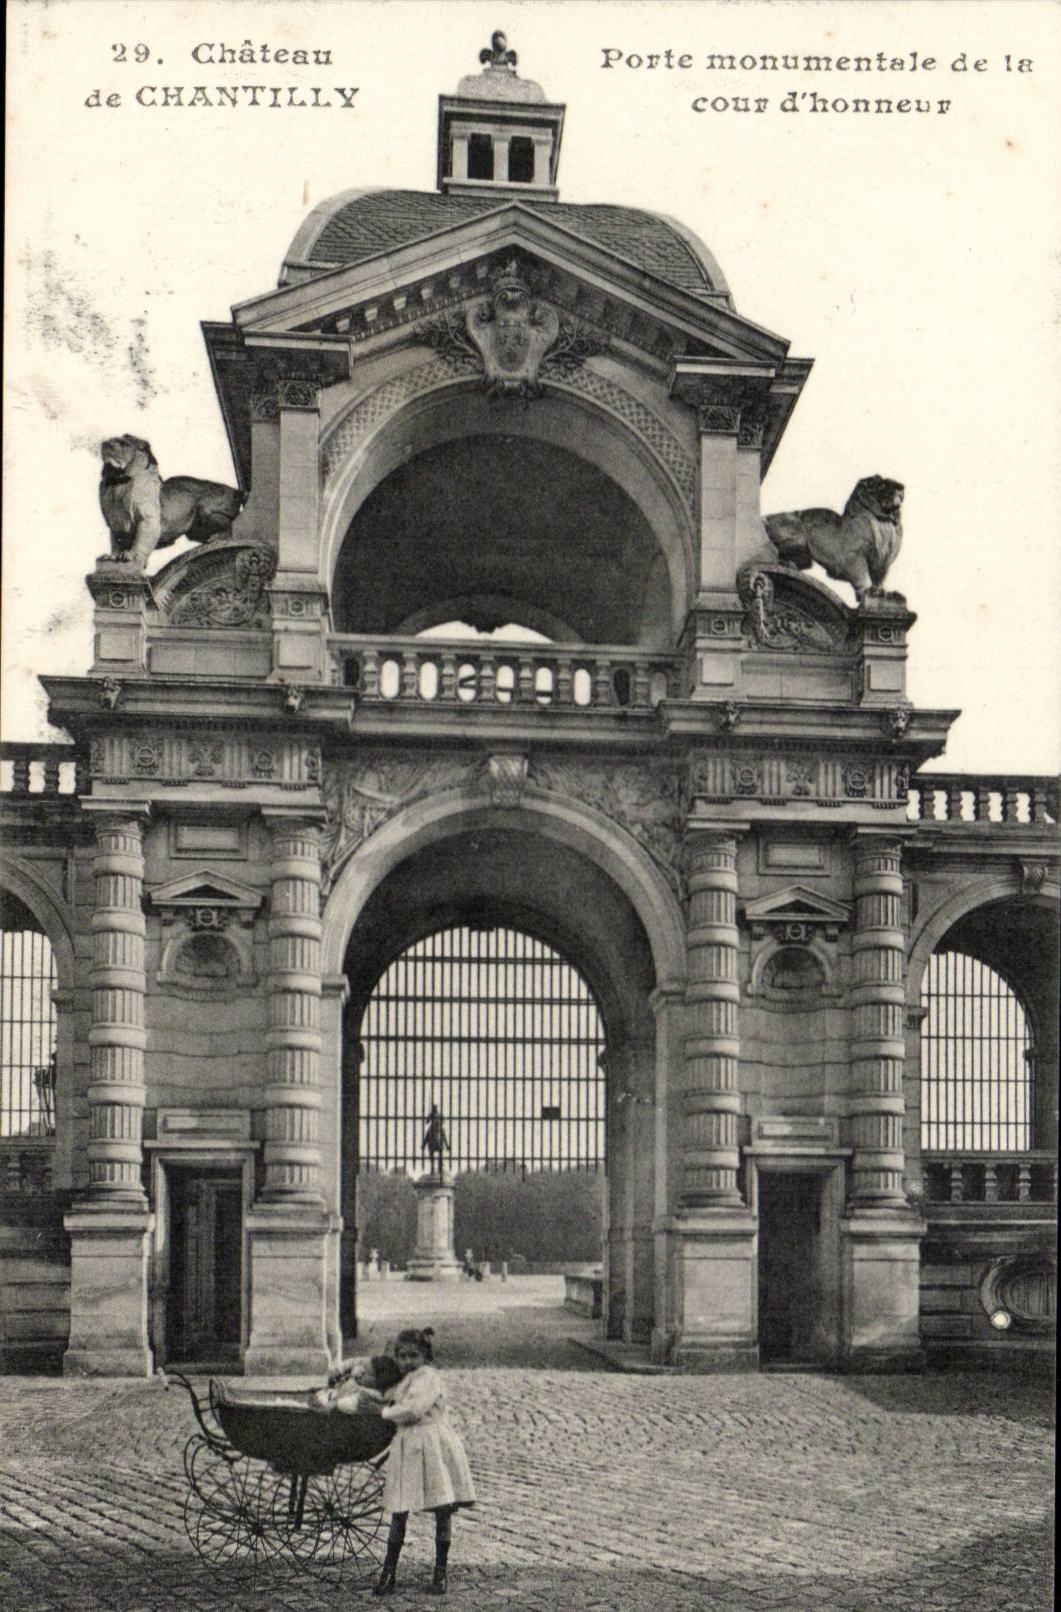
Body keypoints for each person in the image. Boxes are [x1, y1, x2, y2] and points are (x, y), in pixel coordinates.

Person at [373, 1327, 476, 1597]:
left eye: (413, 1355)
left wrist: (384, 1412)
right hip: (408, 1447)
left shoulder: (428, 1377)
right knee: (399, 1508)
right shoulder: (405, 1379)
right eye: (403, 1356)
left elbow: (412, 1409)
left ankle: (440, 1571)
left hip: (432, 1446)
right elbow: (391, 1396)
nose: (407, 1361)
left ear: (425, 1356)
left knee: (442, 1507)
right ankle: (389, 1570)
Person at [312, 1349, 402, 1414]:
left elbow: (353, 1401)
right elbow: (352, 1362)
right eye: (364, 1372)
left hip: (338, 1398)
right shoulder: (367, 1363)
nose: (361, 1375)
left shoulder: (370, 1391)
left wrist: (335, 1404)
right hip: (337, 1385)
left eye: (366, 1375)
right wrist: (338, 1370)